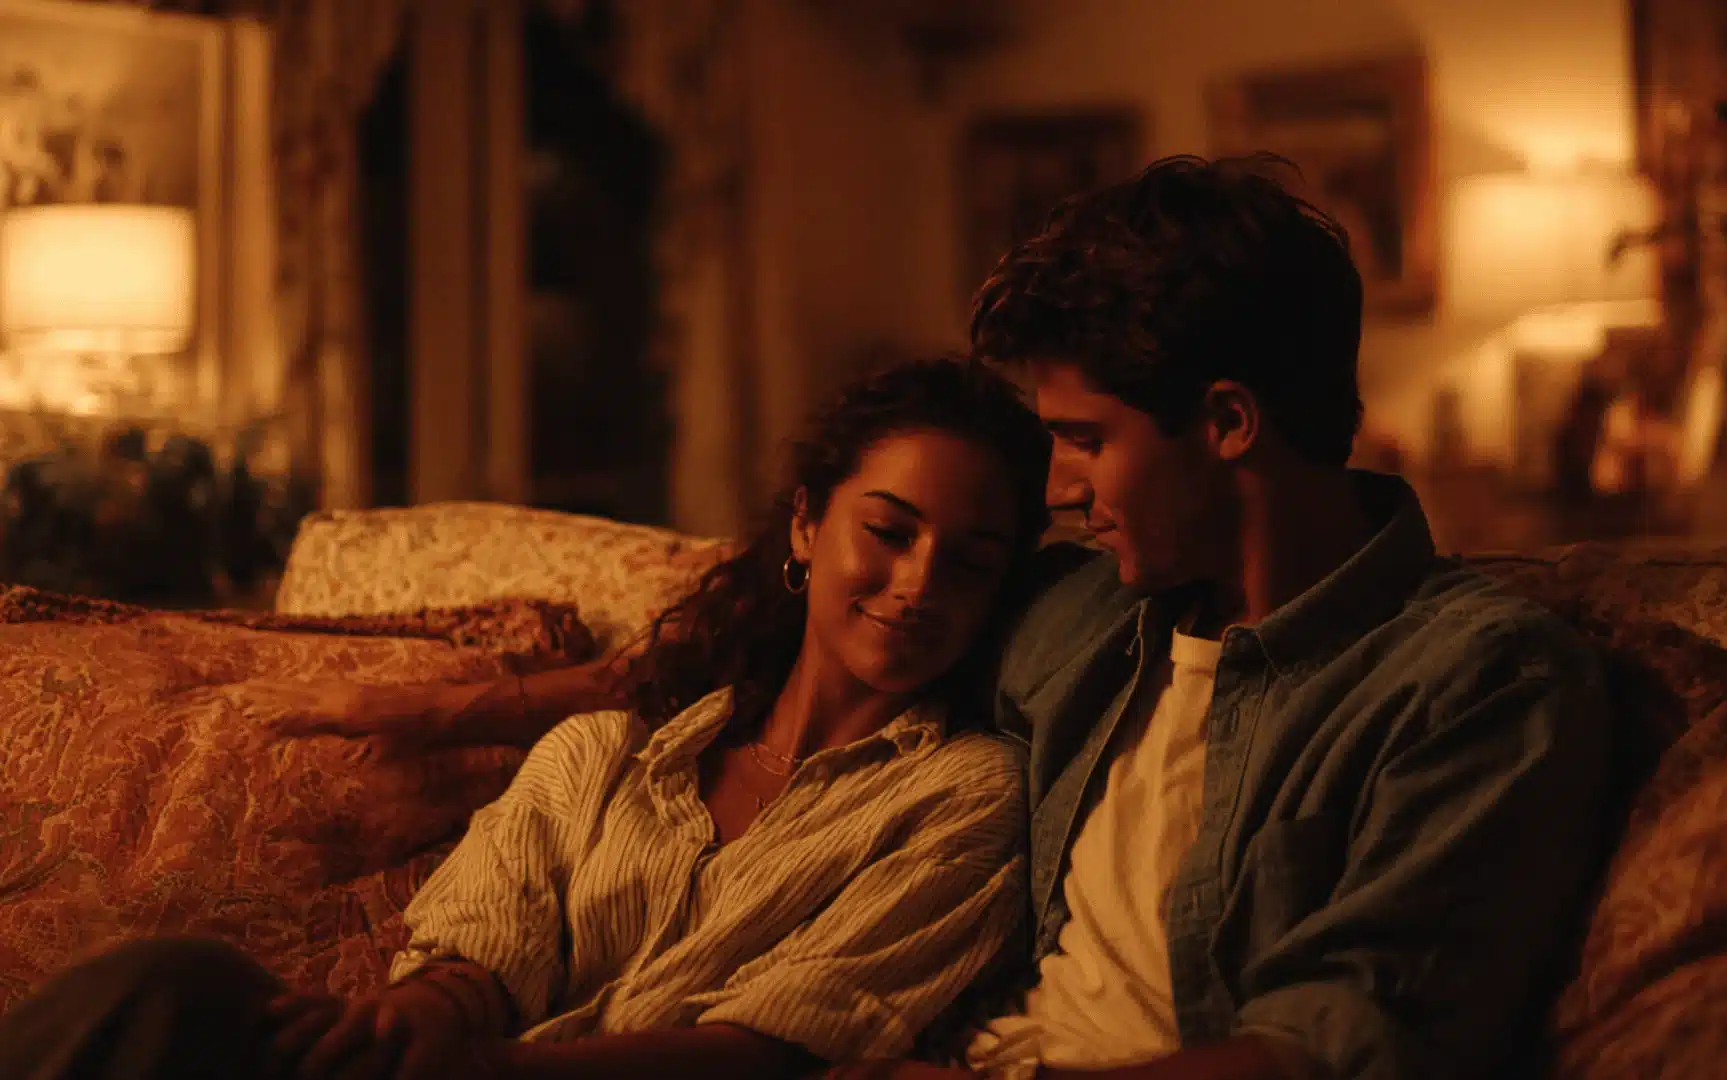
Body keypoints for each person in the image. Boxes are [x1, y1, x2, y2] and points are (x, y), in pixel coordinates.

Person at [254, 154, 1615, 1080]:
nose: (1061, 490)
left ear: (1228, 422)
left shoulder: (1479, 683)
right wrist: (466, 706)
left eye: (1083, 440)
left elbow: (1344, 1041)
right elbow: (768, 625)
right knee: (176, 1000)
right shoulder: (1087, 611)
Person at [0, 357, 1053, 1080]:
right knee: (185, 990)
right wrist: (410, 1025)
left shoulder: (963, 796)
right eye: (889, 530)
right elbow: (481, 953)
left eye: (968, 561)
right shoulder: (604, 754)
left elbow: (773, 1048)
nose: (919, 584)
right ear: (807, 524)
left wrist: (490, 1071)